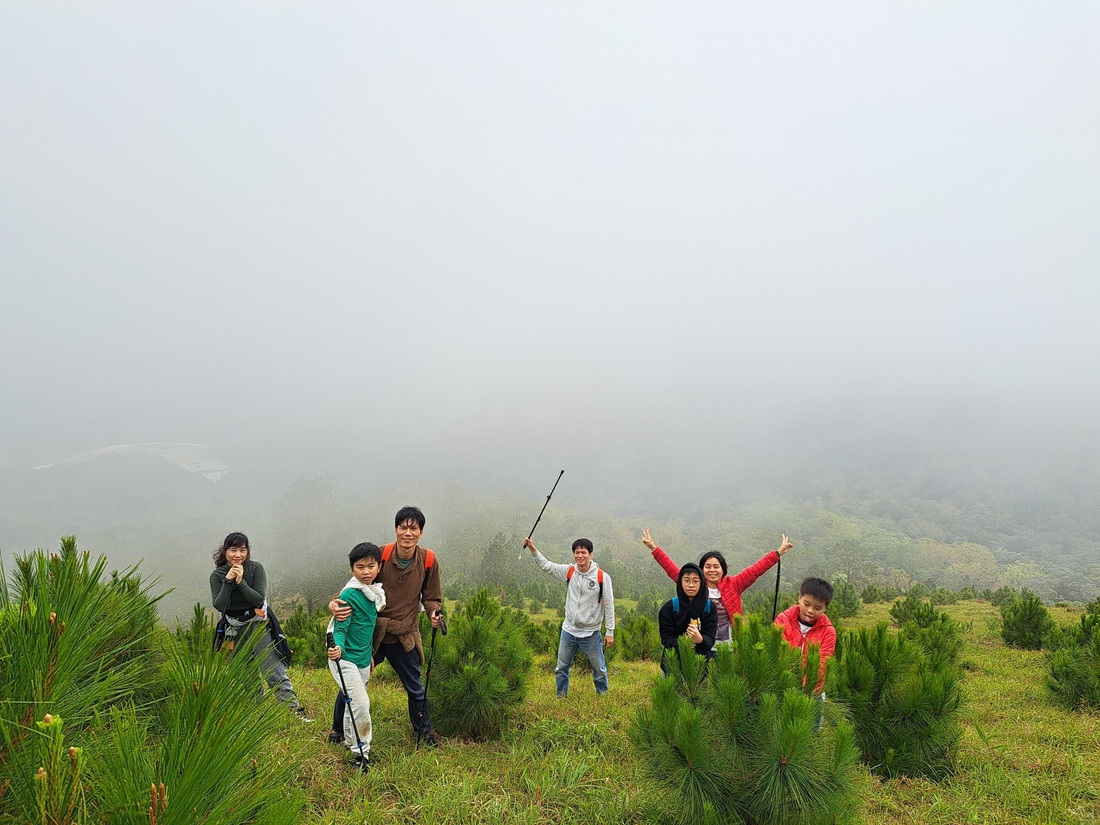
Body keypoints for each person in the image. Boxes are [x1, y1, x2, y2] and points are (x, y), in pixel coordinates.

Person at [329, 506, 444, 746]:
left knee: (415, 688)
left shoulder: (429, 560)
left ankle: (423, 733)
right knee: (354, 681)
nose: (408, 532)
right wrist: (335, 602)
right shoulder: (379, 556)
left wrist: (434, 613)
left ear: (421, 532)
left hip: (404, 633)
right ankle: (338, 730)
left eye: (414, 528)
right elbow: (357, 581)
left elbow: (432, 598)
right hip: (373, 633)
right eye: (403, 527)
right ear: (396, 529)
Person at [209, 531, 311, 721]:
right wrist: (228, 581)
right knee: (245, 671)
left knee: (272, 668)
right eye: (233, 550)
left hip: (259, 624)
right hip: (233, 628)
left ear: (247, 551)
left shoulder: (255, 568)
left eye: (242, 550)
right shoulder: (218, 574)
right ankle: (258, 714)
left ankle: (294, 711)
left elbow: (257, 598)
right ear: (225, 551)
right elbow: (219, 604)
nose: (238, 555)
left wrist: (240, 582)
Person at [642, 528, 793, 643]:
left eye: (716, 566)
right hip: (700, 643)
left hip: (727, 644)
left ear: (723, 570)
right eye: (708, 566)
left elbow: (756, 570)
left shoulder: (734, 584)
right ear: (701, 570)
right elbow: (671, 568)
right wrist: (654, 548)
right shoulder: (695, 585)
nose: (712, 570)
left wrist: (778, 553)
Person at [523, 536, 615, 697]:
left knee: (599, 668)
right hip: (569, 631)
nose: (580, 556)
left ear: (590, 555)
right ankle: (561, 696)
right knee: (561, 668)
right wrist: (532, 547)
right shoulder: (569, 571)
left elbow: (609, 604)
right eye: (577, 552)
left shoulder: (601, 577)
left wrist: (610, 631)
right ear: (573, 555)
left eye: (583, 552)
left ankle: (603, 696)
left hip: (591, 633)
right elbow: (547, 566)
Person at [327, 542, 387, 772]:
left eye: (370, 566)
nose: (366, 571)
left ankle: (350, 742)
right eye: (360, 567)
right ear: (352, 569)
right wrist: (338, 648)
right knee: (361, 704)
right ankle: (362, 755)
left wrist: (370, 655)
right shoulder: (351, 594)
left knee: (352, 702)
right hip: (344, 659)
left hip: (362, 659)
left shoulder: (373, 594)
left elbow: (367, 629)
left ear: (378, 567)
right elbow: (340, 629)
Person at [774, 577, 836, 695]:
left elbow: (823, 662)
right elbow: (777, 651)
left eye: (818, 608)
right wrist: (790, 681)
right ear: (799, 598)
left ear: (825, 608)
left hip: (813, 689)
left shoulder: (828, 632)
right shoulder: (783, 620)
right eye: (806, 604)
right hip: (782, 685)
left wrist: (805, 685)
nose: (810, 611)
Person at [658, 563, 718, 675]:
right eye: (686, 580)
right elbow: (666, 638)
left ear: (701, 583)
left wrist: (700, 639)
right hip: (672, 666)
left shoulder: (709, 608)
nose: (691, 585)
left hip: (699, 667)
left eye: (695, 581)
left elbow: (710, 640)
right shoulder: (670, 607)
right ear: (680, 582)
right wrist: (682, 643)